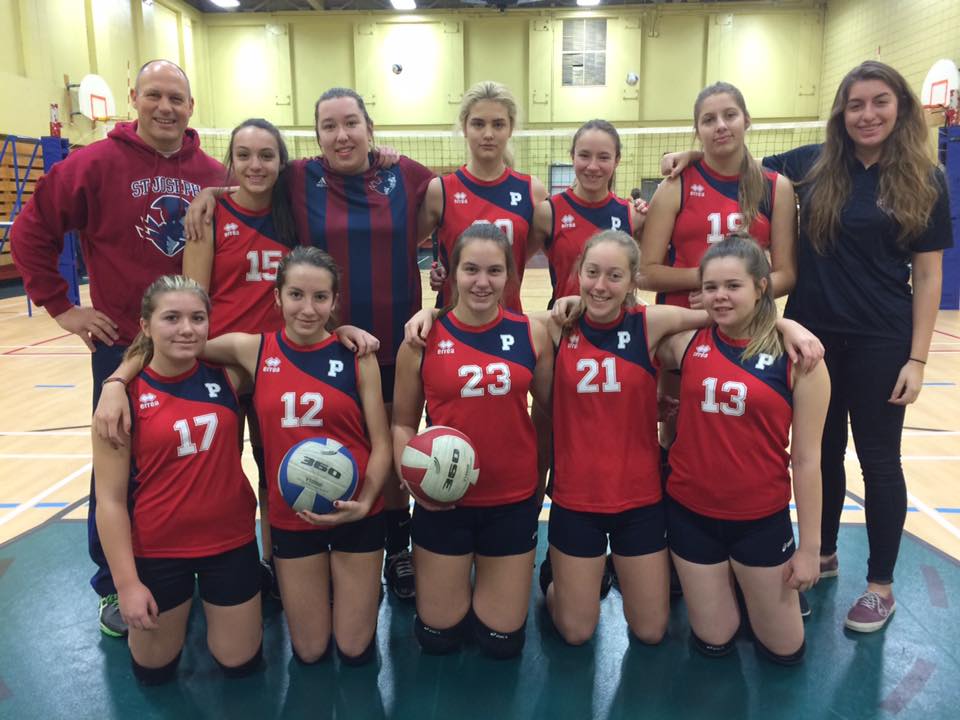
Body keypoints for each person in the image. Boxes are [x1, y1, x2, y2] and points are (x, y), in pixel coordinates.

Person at [662, 61, 953, 632]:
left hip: (881, 337)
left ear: (901, 107)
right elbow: (737, 161)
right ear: (840, 113)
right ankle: (823, 554)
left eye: (879, 102)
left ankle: (880, 586)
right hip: (812, 331)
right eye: (855, 104)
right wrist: (692, 154)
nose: (867, 114)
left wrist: (917, 359)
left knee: (880, 460)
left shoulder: (926, 178)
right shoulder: (811, 165)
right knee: (821, 449)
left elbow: (929, 274)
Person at [186, 88, 434, 601]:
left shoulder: (406, 174)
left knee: (388, 449)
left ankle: (397, 548)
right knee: (301, 455)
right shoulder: (299, 177)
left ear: (370, 128)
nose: (342, 135)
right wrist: (210, 191)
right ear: (316, 135)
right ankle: (282, 556)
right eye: (329, 126)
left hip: (390, 340)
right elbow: (252, 180)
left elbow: (440, 215)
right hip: (319, 341)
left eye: (351, 123)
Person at [11, 59, 225, 637]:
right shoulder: (93, 165)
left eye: (176, 98)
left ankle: (200, 563)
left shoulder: (214, 174)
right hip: (124, 347)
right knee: (117, 463)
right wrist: (62, 306)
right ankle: (113, 582)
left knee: (201, 455)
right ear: (133, 98)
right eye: (154, 95)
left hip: (198, 344)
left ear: (191, 107)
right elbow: (30, 231)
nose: (165, 107)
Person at [98, 247, 390, 665]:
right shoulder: (252, 350)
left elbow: (381, 442)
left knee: (354, 647)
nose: (308, 308)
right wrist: (115, 381)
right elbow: (172, 345)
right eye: (296, 295)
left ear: (334, 301)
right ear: (277, 297)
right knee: (309, 651)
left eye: (320, 297)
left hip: (357, 509)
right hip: (292, 515)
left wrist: (367, 500)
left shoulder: (357, 356)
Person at [658, 234, 829, 664]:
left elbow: (807, 460)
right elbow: (633, 322)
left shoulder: (799, 361)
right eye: (710, 287)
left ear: (760, 286)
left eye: (733, 285)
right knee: (714, 640)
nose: (720, 296)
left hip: (760, 519)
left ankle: (753, 594)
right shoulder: (687, 343)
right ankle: (736, 595)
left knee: (785, 650)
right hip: (690, 513)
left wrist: (810, 549)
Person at [392, 223, 554, 659]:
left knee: (501, 643)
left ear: (510, 275)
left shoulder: (532, 333)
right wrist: (414, 483)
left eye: (494, 271)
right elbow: (402, 423)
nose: (482, 282)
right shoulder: (422, 340)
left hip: (512, 499)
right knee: (438, 638)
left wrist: (539, 477)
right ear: (451, 272)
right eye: (471, 270)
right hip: (443, 500)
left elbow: (550, 411)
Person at [93, 276, 262, 684]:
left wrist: (346, 331)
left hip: (231, 540)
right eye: (171, 318)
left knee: (239, 663)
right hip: (159, 548)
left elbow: (294, 347)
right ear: (145, 325)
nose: (187, 329)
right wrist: (127, 585)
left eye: (197, 318)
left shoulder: (229, 376)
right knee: (153, 671)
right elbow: (110, 501)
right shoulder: (121, 403)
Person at [540, 230, 707, 646]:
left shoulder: (649, 323)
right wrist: (431, 316)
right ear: (579, 273)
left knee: (650, 632)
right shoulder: (558, 326)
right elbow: (488, 320)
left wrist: (786, 325)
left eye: (614, 276)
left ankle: (601, 572)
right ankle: (556, 580)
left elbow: (726, 314)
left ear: (633, 280)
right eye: (592, 273)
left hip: (639, 500)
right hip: (576, 499)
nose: (600, 285)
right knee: (576, 632)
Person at [641, 82, 797, 453]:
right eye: (709, 120)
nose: (721, 125)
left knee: (738, 440)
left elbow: (787, 274)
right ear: (698, 130)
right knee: (675, 437)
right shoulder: (675, 185)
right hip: (682, 330)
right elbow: (645, 271)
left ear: (747, 120)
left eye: (730, 115)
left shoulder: (776, 187)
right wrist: (710, 284)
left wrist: (729, 292)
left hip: (748, 333)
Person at [182, 118, 297, 597]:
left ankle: (275, 565)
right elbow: (191, 299)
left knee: (277, 475)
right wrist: (210, 192)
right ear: (230, 161)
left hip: (278, 365)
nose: (255, 165)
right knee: (218, 475)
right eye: (244, 155)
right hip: (219, 363)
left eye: (266, 155)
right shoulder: (210, 215)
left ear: (281, 162)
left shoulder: (295, 213)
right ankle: (221, 566)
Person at [421, 81, 548, 312]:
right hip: (452, 323)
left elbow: (523, 255)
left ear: (510, 128)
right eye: (478, 124)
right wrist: (440, 266)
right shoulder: (440, 190)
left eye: (498, 124)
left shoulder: (532, 191)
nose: (488, 134)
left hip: (509, 321)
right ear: (465, 127)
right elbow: (401, 244)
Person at [531, 120, 643, 308]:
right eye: (584, 155)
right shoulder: (547, 213)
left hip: (618, 323)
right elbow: (515, 264)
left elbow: (648, 274)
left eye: (603, 157)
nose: (592, 166)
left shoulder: (633, 215)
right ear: (572, 156)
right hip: (565, 320)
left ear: (617, 160)